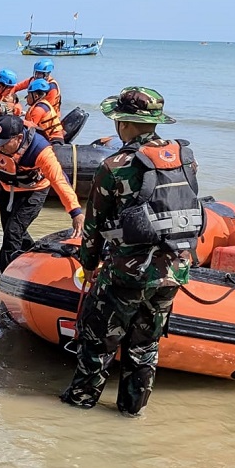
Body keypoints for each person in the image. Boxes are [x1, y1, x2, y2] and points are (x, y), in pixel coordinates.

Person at [59, 87, 202, 417]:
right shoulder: (186, 159)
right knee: (146, 344)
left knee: (97, 341)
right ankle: (131, 410)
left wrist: (89, 265)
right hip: (173, 270)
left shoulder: (115, 166)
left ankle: (79, 407)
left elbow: (93, 227)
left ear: (124, 124)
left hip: (127, 272)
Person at [0, 115, 84, 279]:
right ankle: (35, 261)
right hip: (8, 187)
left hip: (35, 190)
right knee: (13, 233)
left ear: (18, 138)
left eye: (3, 144)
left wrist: (75, 212)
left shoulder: (40, 150)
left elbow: (58, 180)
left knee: (13, 231)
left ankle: (2, 274)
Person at [24, 78, 65, 145]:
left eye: (28, 95)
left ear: (36, 96)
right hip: (52, 138)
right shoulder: (43, 104)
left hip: (53, 140)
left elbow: (29, 127)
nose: (27, 98)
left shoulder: (39, 109)